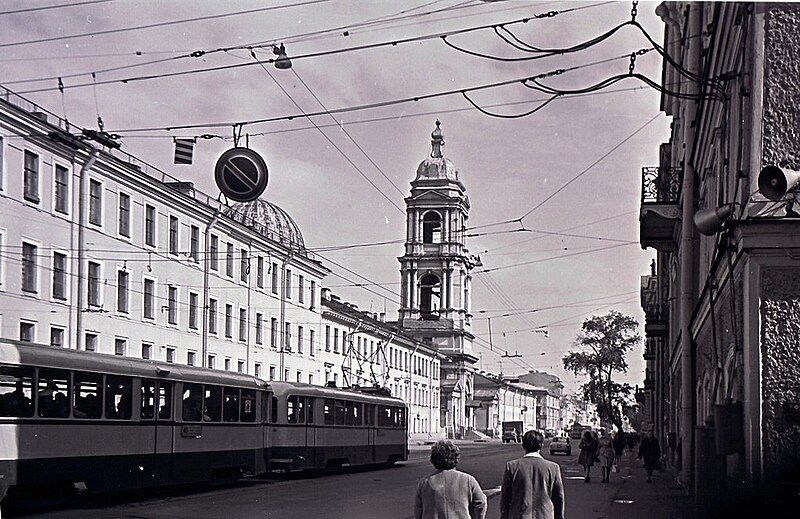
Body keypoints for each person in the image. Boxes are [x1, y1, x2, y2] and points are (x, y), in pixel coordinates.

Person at [500, 430, 564, 519]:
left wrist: (504, 516)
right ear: (541, 445)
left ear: (523, 446)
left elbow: (505, 497)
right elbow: (558, 498)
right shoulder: (553, 468)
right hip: (544, 515)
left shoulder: (512, 466)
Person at [414, 440, 487, 519]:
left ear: (433, 460)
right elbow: (481, 502)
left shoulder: (425, 483)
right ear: (455, 458)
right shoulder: (468, 480)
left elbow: (418, 511)